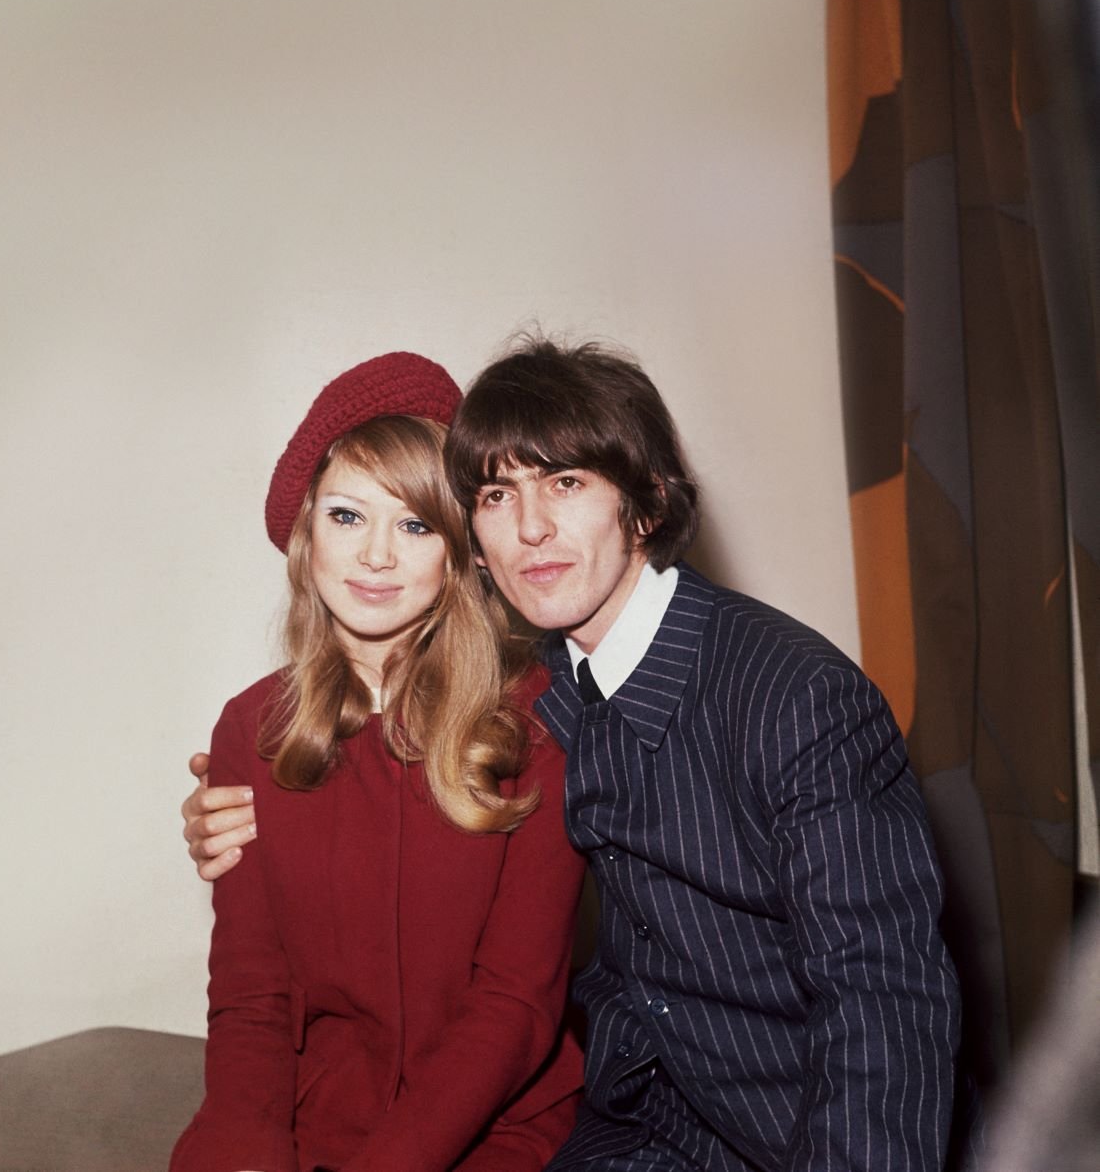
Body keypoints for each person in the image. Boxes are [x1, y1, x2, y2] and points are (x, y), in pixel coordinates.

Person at [185, 337, 962, 1171]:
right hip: (638, 1120)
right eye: (496, 493)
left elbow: (883, 998)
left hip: (790, 1127)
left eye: (565, 482)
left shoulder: (777, 697)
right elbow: (255, 990)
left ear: (648, 502)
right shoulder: (554, 682)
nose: (530, 526)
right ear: (475, 540)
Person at [170, 352, 587, 1172]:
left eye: (416, 524)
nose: (375, 558)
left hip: (495, 1132)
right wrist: (249, 1153)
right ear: (305, 531)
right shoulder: (250, 728)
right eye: (348, 516)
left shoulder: (540, 723)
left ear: (464, 551)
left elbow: (513, 1005)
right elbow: (253, 999)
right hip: (311, 1121)